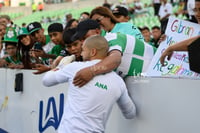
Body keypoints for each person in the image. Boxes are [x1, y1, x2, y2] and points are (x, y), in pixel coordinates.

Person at [42, 35, 136, 133]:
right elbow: (130, 113)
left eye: (83, 50)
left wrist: (61, 65)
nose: (81, 53)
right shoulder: (118, 81)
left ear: (93, 52)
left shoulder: (74, 68)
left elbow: (46, 80)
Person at [72, 19, 156, 87]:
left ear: (97, 32)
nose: (83, 42)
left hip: (163, 71)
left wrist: (91, 71)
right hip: (149, 80)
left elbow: (115, 59)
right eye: (81, 39)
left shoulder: (112, 38)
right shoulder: (99, 47)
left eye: (85, 37)